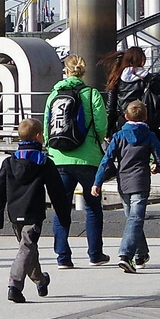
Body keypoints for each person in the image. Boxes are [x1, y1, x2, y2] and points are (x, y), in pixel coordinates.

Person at [0, 118, 73, 304]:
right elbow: (57, 193)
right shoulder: (44, 163)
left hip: (14, 213)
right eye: (42, 134)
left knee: (26, 248)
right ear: (37, 137)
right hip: (33, 213)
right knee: (27, 249)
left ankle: (40, 280)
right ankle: (14, 285)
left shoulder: (9, 162)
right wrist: (64, 217)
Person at [47, 54, 112, 267]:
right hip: (89, 159)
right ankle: (95, 254)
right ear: (83, 72)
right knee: (93, 207)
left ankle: (63, 257)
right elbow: (102, 126)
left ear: (65, 70)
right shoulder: (91, 93)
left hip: (60, 159)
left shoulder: (54, 94)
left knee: (61, 207)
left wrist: (52, 149)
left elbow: (47, 125)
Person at [94, 100, 160, 272]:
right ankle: (125, 255)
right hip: (141, 181)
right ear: (146, 117)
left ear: (126, 116)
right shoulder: (149, 136)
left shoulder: (118, 136)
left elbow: (106, 160)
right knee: (135, 220)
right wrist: (158, 167)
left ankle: (140, 254)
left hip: (123, 182)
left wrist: (97, 182)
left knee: (133, 220)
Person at [106, 46, 160, 142]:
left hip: (123, 123)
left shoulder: (116, 78)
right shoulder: (150, 79)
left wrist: (108, 131)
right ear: (142, 60)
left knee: (123, 154)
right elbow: (159, 105)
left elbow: (111, 108)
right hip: (146, 123)